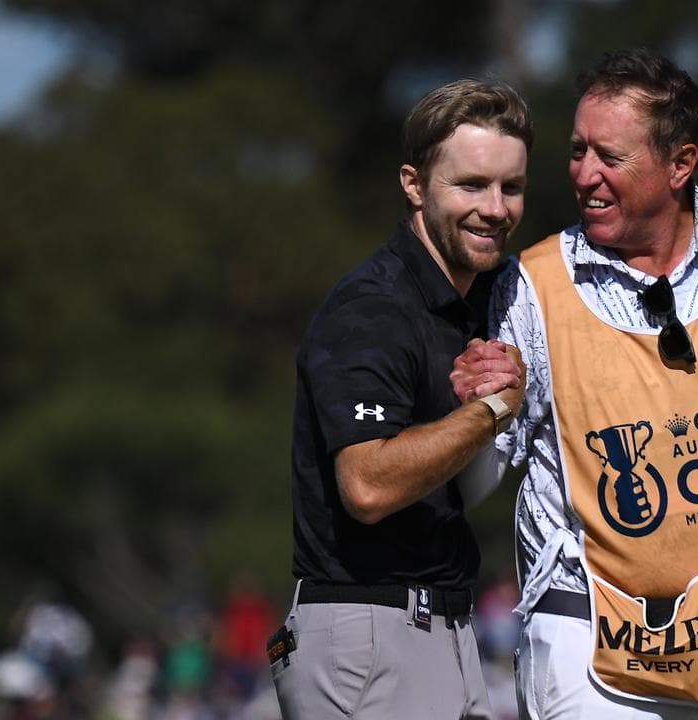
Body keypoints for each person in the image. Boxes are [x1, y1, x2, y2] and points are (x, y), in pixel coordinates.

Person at [452, 49, 698, 718]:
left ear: (680, 164)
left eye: (610, 156)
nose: (584, 175)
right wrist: (475, 414)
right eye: (577, 151)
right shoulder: (529, 286)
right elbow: (478, 483)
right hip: (589, 645)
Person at [269, 78, 530, 720]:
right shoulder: (374, 307)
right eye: (470, 185)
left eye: (512, 187)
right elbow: (367, 485)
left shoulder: (472, 294)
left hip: (440, 630)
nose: (495, 208)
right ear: (414, 185)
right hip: (372, 633)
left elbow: (592, 269)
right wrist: (493, 409)